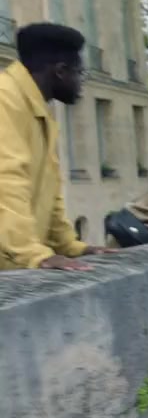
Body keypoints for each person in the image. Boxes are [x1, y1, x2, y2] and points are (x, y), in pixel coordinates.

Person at [0, 23, 114, 271]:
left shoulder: (36, 108)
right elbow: (6, 183)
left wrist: (69, 246)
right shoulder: (4, 99)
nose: (81, 84)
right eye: (80, 73)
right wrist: (33, 255)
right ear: (60, 71)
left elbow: (49, 189)